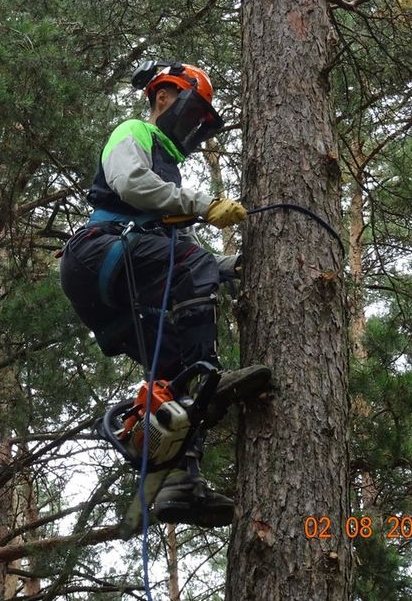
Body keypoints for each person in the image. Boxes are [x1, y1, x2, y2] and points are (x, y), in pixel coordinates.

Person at [60, 62, 270, 526]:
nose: (194, 126)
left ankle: (180, 484)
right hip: (98, 251)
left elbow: (169, 254)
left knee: (171, 368)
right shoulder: (133, 131)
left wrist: (229, 268)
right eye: (193, 112)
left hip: (115, 281)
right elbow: (131, 184)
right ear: (165, 97)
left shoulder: (167, 165)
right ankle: (207, 376)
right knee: (192, 265)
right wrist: (202, 204)